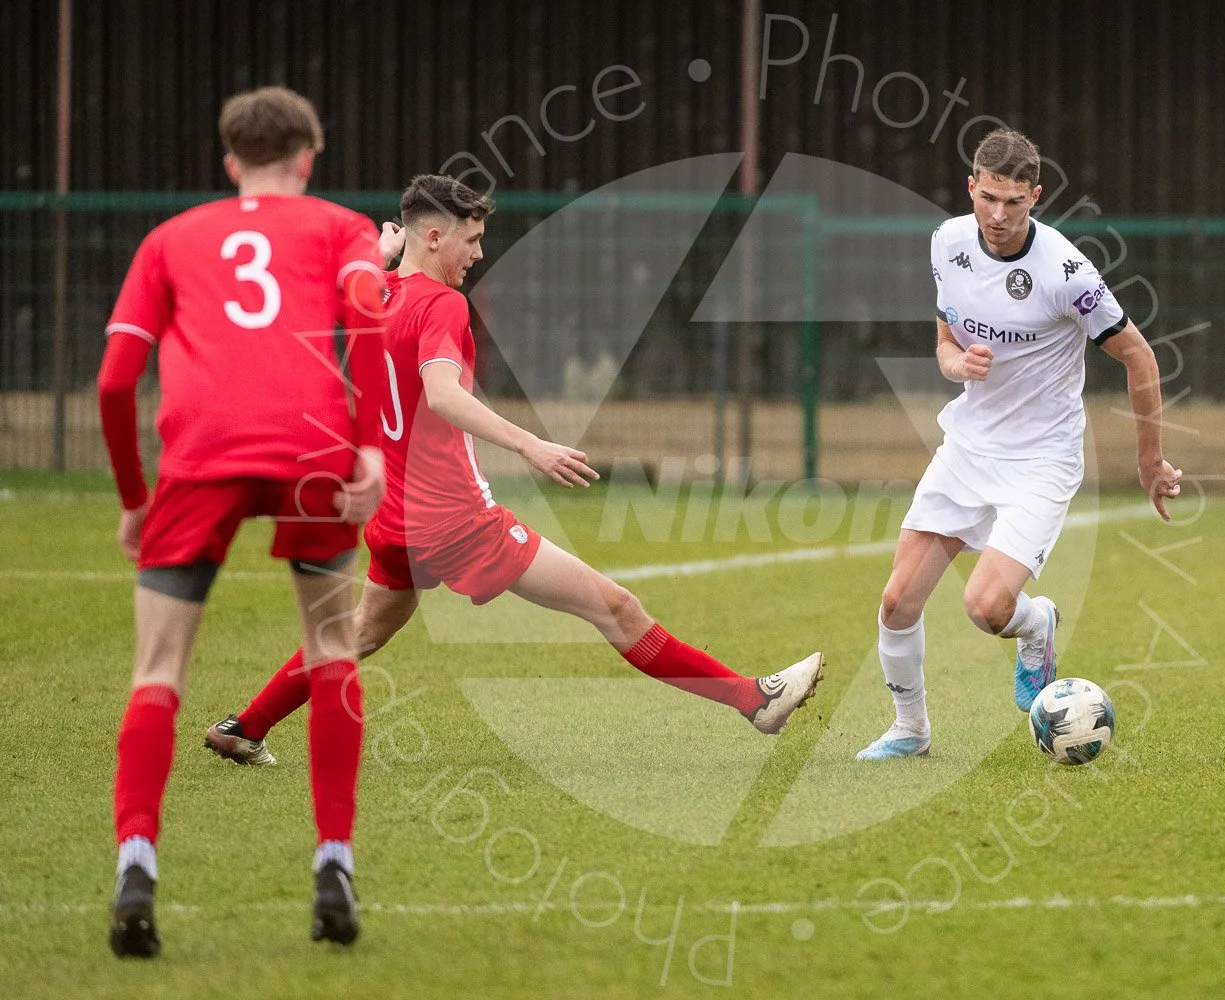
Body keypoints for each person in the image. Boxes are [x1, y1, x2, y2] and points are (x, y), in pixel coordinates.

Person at [203, 173, 823, 774]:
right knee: (616, 607)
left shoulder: (375, 294)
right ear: (436, 236)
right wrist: (532, 445)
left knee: (356, 633)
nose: (479, 252)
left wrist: (380, 254)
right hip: (454, 521)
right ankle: (754, 700)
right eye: (470, 239)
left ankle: (244, 728)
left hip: (395, 521)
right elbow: (443, 394)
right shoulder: (442, 305)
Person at [98, 87, 389, 955]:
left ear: (230, 162)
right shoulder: (343, 229)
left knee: (158, 669)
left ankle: (137, 867)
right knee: (335, 651)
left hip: (199, 456)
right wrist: (369, 448)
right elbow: (369, 320)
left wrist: (131, 496)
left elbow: (116, 381)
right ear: (309, 157)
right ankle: (333, 862)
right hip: (312, 454)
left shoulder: (170, 239)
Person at [857, 129, 1181, 761]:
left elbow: (1139, 357)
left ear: (1034, 197)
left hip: (1041, 459)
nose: (999, 217)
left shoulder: (1066, 273)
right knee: (897, 601)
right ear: (970, 188)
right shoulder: (948, 242)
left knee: (986, 606)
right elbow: (947, 336)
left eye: (1015, 203)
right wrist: (954, 364)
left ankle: (1038, 627)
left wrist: (1149, 462)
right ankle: (910, 731)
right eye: (988, 199)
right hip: (968, 448)